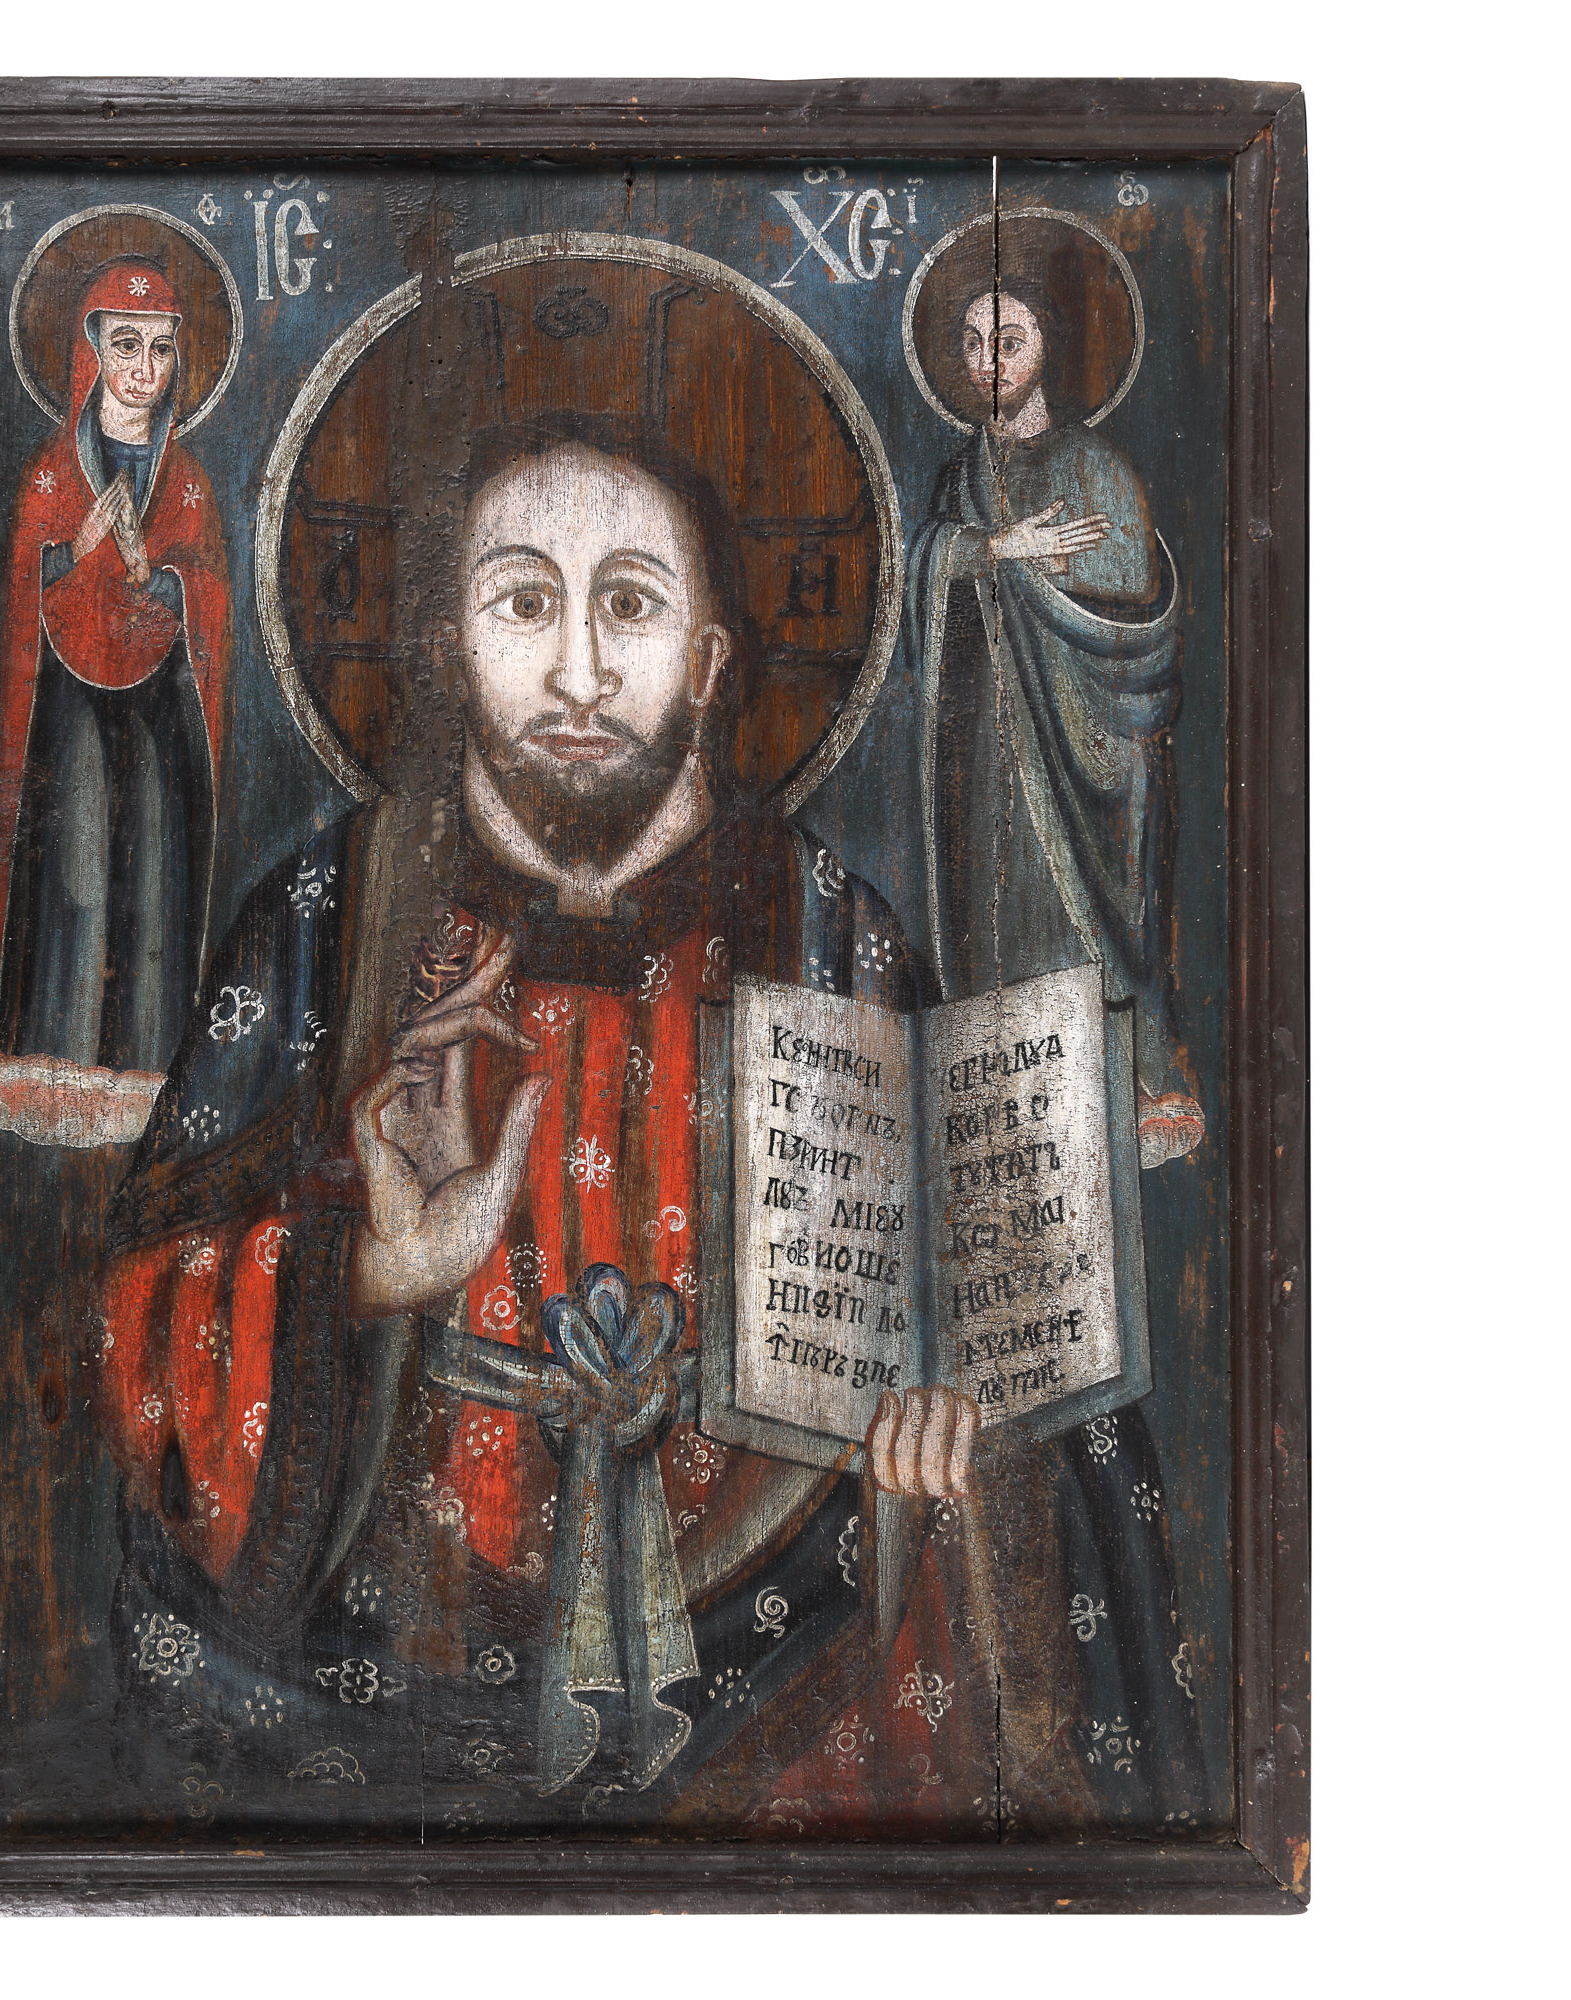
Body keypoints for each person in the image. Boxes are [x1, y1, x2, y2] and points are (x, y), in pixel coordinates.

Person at [86, 412, 1201, 1836]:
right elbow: (132, 1322)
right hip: (380, 1681)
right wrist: (372, 1269)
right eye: (522, 603)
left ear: (711, 661)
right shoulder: (329, 926)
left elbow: (1010, 1353)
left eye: (628, 604)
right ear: (449, 647)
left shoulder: (836, 940)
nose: (579, 672)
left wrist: (950, 1424)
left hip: (790, 1662)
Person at [906, 277, 1205, 1167]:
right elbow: (922, 583)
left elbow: (1138, 602)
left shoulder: (1093, 465)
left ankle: (1120, 1101)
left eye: (1008, 341)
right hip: (980, 753)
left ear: (1048, 351)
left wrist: (1040, 580)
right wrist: (995, 550)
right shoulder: (958, 477)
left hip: (1082, 749)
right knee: (991, 930)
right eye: (971, 342)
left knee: (1067, 926)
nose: (986, 361)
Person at [0, 259, 232, 1148]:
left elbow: (206, 590)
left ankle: (149, 1076)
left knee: (153, 869)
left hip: (159, 705)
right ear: (91, 353)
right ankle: (56, 1066)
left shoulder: (186, 481)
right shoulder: (52, 474)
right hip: (69, 700)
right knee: (75, 869)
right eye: (126, 345)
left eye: (161, 349)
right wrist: (77, 552)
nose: (144, 369)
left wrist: (160, 577)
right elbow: (25, 584)